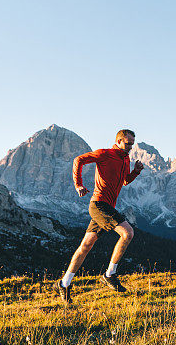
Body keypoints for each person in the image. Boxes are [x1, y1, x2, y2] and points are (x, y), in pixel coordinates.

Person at [53, 129, 144, 304]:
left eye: (132, 144)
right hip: (98, 205)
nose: (131, 147)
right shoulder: (105, 154)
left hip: (107, 207)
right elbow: (78, 160)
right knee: (128, 233)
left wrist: (136, 171)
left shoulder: (126, 159)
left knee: (86, 246)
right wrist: (78, 184)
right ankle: (109, 274)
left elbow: (124, 181)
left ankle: (63, 284)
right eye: (128, 143)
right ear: (118, 141)